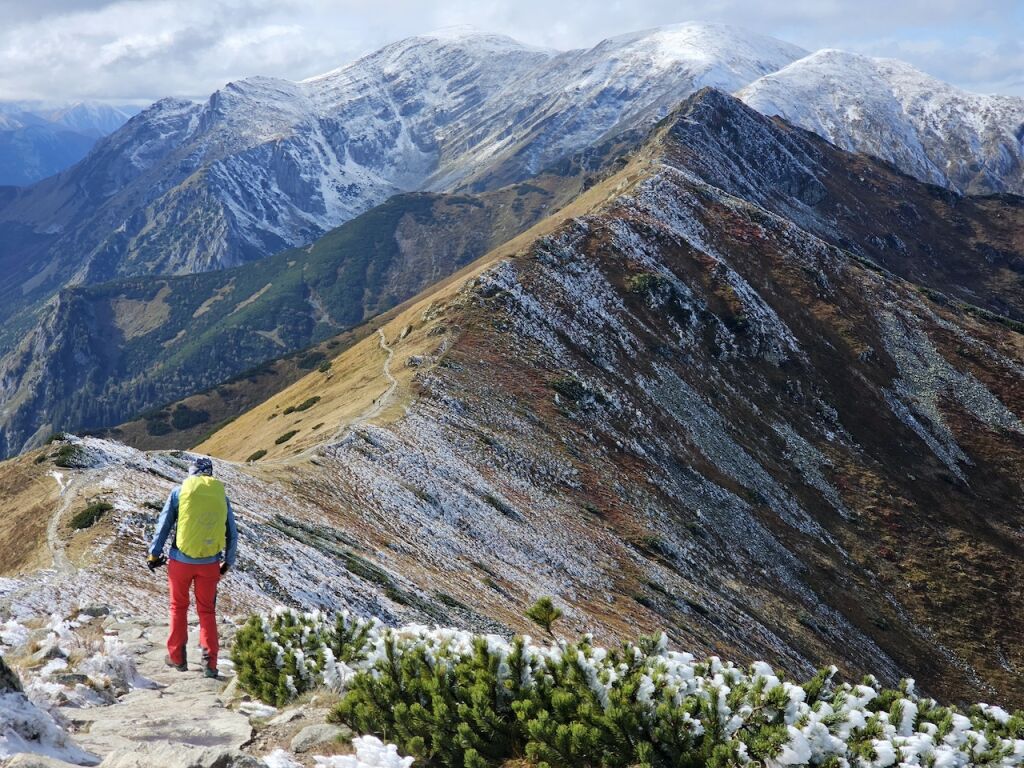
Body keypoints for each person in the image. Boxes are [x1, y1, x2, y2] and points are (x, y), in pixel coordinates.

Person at [147, 456, 238, 678]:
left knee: (178, 607)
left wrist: (154, 554)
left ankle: (177, 657)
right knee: (206, 611)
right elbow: (232, 534)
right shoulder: (221, 497)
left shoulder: (180, 492)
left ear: (191, 473)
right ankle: (210, 663)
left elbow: (165, 524)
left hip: (180, 562)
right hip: (210, 564)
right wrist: (228, 562)